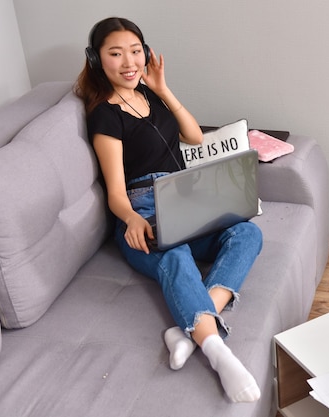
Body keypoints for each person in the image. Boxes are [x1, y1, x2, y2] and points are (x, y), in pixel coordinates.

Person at [74, 17, 263, 403]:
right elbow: (115, 191)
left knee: (248, 232)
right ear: (97, 60)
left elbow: (194, 136)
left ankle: (187, 333)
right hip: (142, 207)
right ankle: (217, 352)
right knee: (173, 253)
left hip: (187, 201)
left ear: (146, 52)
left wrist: (162, 88)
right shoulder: (104, 115)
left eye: (135, 50)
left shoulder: (153, 95)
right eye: (115, 53)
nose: (128, 61)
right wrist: (130, 219)